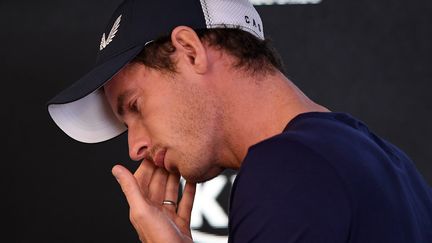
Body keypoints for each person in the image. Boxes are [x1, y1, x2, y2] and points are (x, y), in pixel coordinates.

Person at [47, 0, 432, 242]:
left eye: (134, 106)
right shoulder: (392, 165)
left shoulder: (287, 169)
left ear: (189, 51)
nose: (135, 148)